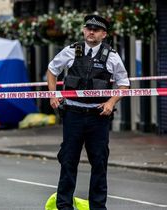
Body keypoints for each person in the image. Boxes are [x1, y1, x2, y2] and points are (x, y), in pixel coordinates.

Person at [46, 15, 130, 210]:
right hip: (73, 114)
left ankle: (98, 207)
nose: (91, 31)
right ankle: (64, 206)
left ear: (104, 34)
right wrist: (53, 94)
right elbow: (52, 70)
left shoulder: (111, 56)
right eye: (88, 28)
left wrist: (111, 102)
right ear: (84, 30)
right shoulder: (70, 51)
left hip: (97, 116)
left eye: (96, 29)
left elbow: (124, 83)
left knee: (99, 162)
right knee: (68, 160)